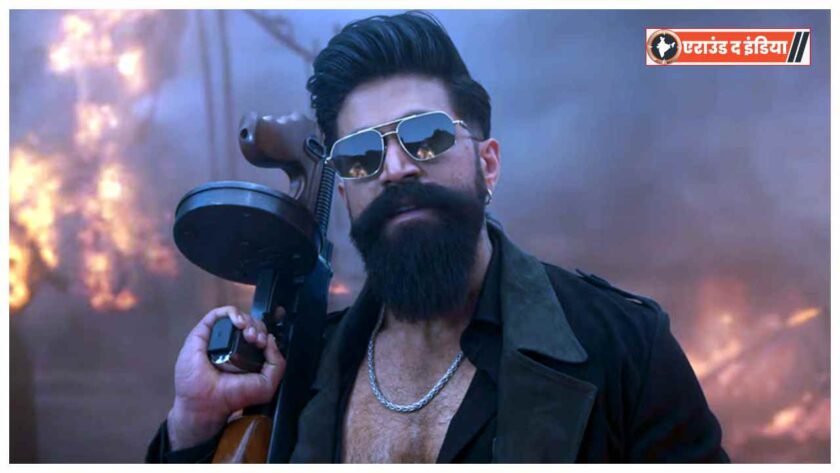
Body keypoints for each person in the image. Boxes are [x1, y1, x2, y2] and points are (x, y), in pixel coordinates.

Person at [146, 11, 729, 463]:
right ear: (345, 193)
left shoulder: (624, 350)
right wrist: (192, 427)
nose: (396, 168)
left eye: (425, 137)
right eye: (361, 154)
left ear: (488, 164)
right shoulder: (293, 367)